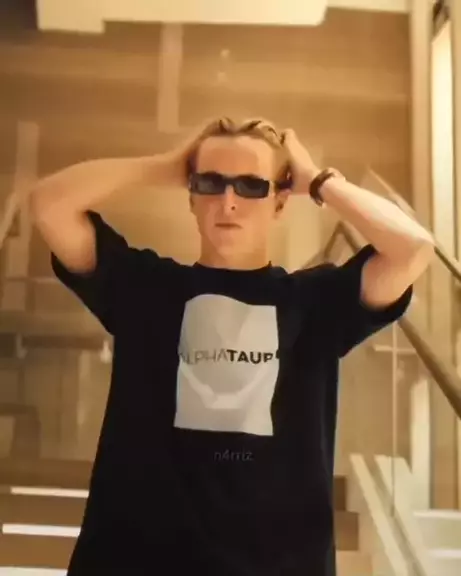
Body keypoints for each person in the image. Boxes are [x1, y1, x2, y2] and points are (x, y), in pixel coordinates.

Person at [30, 118, 434, 576]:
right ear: (191, 195)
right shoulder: (146, 289)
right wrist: (163, 166)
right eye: (210, 183)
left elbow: (412, 249)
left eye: (251, 186)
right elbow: (49, 205)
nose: (228, 201)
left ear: (281, 200)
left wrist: (319, 181)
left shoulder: (315, 303)